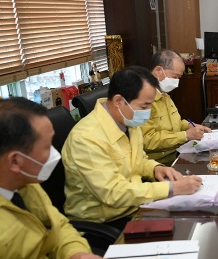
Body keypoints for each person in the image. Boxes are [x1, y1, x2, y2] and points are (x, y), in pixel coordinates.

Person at [0, 97, 126, 259]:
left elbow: (58, 226)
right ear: (15, 161)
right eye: (46, 147)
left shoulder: (25, 183)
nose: (55, 154)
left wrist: (75, 253)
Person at [63, 66, 202, 229]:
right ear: (118, 101)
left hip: (134, 206)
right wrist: (172, 188)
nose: (148, 113)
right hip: (104, 222)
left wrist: (155, 168)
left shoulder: (127, 120)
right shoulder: (87, 138)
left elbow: (138, 159)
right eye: (144, 107)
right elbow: (114, 194)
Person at [141, 49, 211, 166]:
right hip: (156, 165)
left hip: (175, 156)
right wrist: (185, 135)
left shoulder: (164, 94)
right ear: (159, 70)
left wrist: (189, 125)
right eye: (175, 76)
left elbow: (175, 123)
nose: (177, 82)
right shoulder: (143, 99)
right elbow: (148, 140)